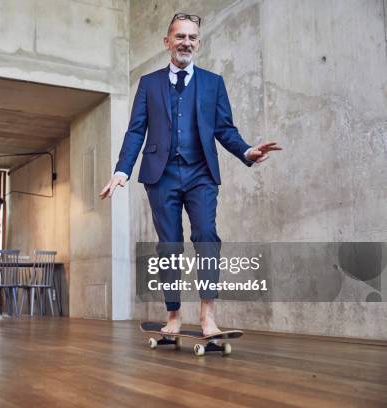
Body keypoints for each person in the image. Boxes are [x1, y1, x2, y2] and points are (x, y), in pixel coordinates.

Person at [99, 13, 281, 335]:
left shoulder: (213, 83)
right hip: (161, 176)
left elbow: (225, 129)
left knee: (207, 238)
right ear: (167, 42)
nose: (186, 42)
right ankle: (174, 315)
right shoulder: (149, 84)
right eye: (180, 36)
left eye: (192, 38)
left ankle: (207, 315)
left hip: (201, 174)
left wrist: (245, 151)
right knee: (169, 246)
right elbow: (135, 131)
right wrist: (122, 170)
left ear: (198, 42)